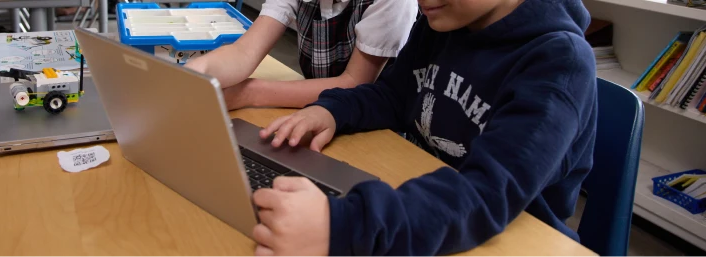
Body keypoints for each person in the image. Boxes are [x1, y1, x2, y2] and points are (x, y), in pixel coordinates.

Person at [250, 0, 598, 256]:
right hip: (425, 211)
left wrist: (342, 226)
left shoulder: (558, 64)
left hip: (511, 236)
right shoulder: (443, 22)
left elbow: (487, 194)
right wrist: (332, 112)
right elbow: (393, 95)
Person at [184, 0, 418, 110]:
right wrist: (200, 70)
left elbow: (354, 84)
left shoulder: (394, 3)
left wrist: (248, 93)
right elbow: (244, 51)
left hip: (366, 120)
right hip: (312, 105)